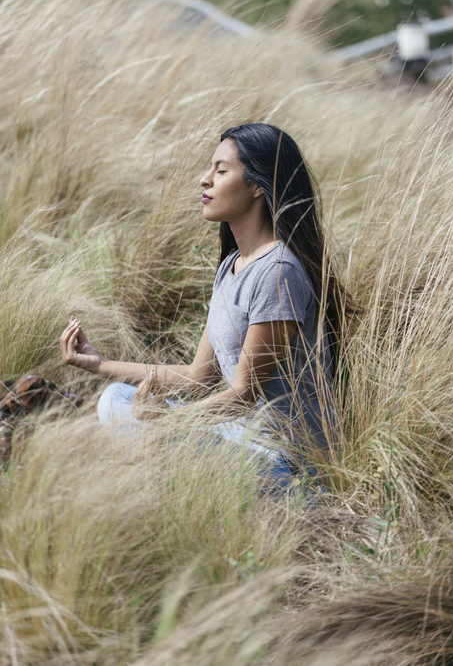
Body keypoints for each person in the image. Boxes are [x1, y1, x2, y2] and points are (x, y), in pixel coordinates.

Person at [60, 123, 352, 490]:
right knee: (114, 398)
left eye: (221, 170)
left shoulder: (278, 272)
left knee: (150, 436)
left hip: (283, 461)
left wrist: (166, 423)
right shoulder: (232, 267)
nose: (205, 179)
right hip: (235, 437)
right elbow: (200, 376)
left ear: (259, 185)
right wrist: (100, 364)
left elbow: (244, 393)